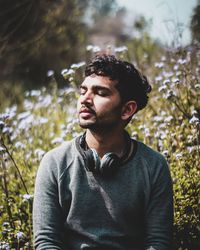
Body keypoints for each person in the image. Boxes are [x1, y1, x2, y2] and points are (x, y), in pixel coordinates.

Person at [33, 54, 174, 250]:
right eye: (83, 91)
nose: (85, 99)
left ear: (127, 109)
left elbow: (158, 242)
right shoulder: (55, 162)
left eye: (100, 92)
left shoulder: (154, 166)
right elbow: (46, 242)